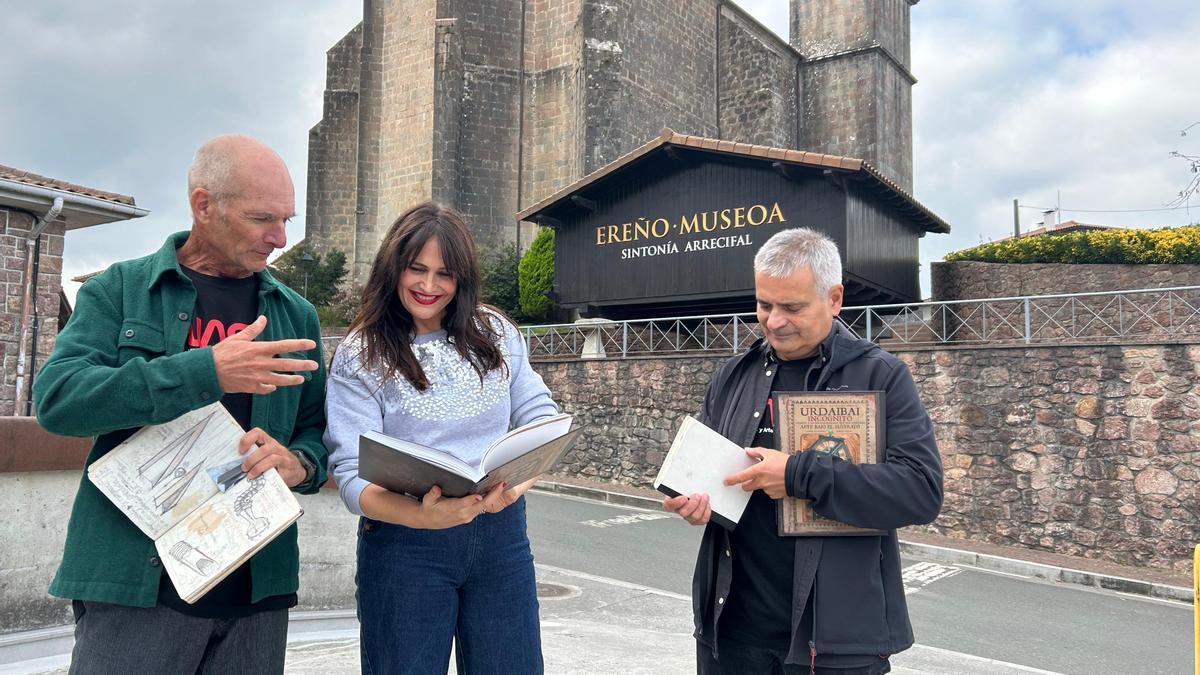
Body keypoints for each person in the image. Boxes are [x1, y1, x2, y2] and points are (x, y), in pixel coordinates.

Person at [34, 134, 328, 674]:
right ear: (203, 204)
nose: (280, 238)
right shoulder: (119, 289)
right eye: (263, 218)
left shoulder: (298, 315)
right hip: (136, 587)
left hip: (256, 590)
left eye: (286, 218)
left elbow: (314, 434)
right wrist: (205, 371)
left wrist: (299, 463)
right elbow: (58, 400)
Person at [664, 227, 943, 674]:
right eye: (764, 304)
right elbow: (717, 475)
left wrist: (797, 473)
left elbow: (920, 492)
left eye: (792, 307)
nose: (774, 321)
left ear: (834, 299)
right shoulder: (734, 375)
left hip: (836, 645)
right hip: (731, 632)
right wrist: (697, 502)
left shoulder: (881, 376)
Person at [324, 201, 558, 674]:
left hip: (500, 536)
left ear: (462, 279)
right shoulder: (361, 354)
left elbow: (541, 420)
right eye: (416, 269)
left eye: (445, 274)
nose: (429, 287)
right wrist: (425, 517)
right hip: (405, 542)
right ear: (393, 267)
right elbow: (350, 473)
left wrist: (511, 488)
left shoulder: (496, 333)